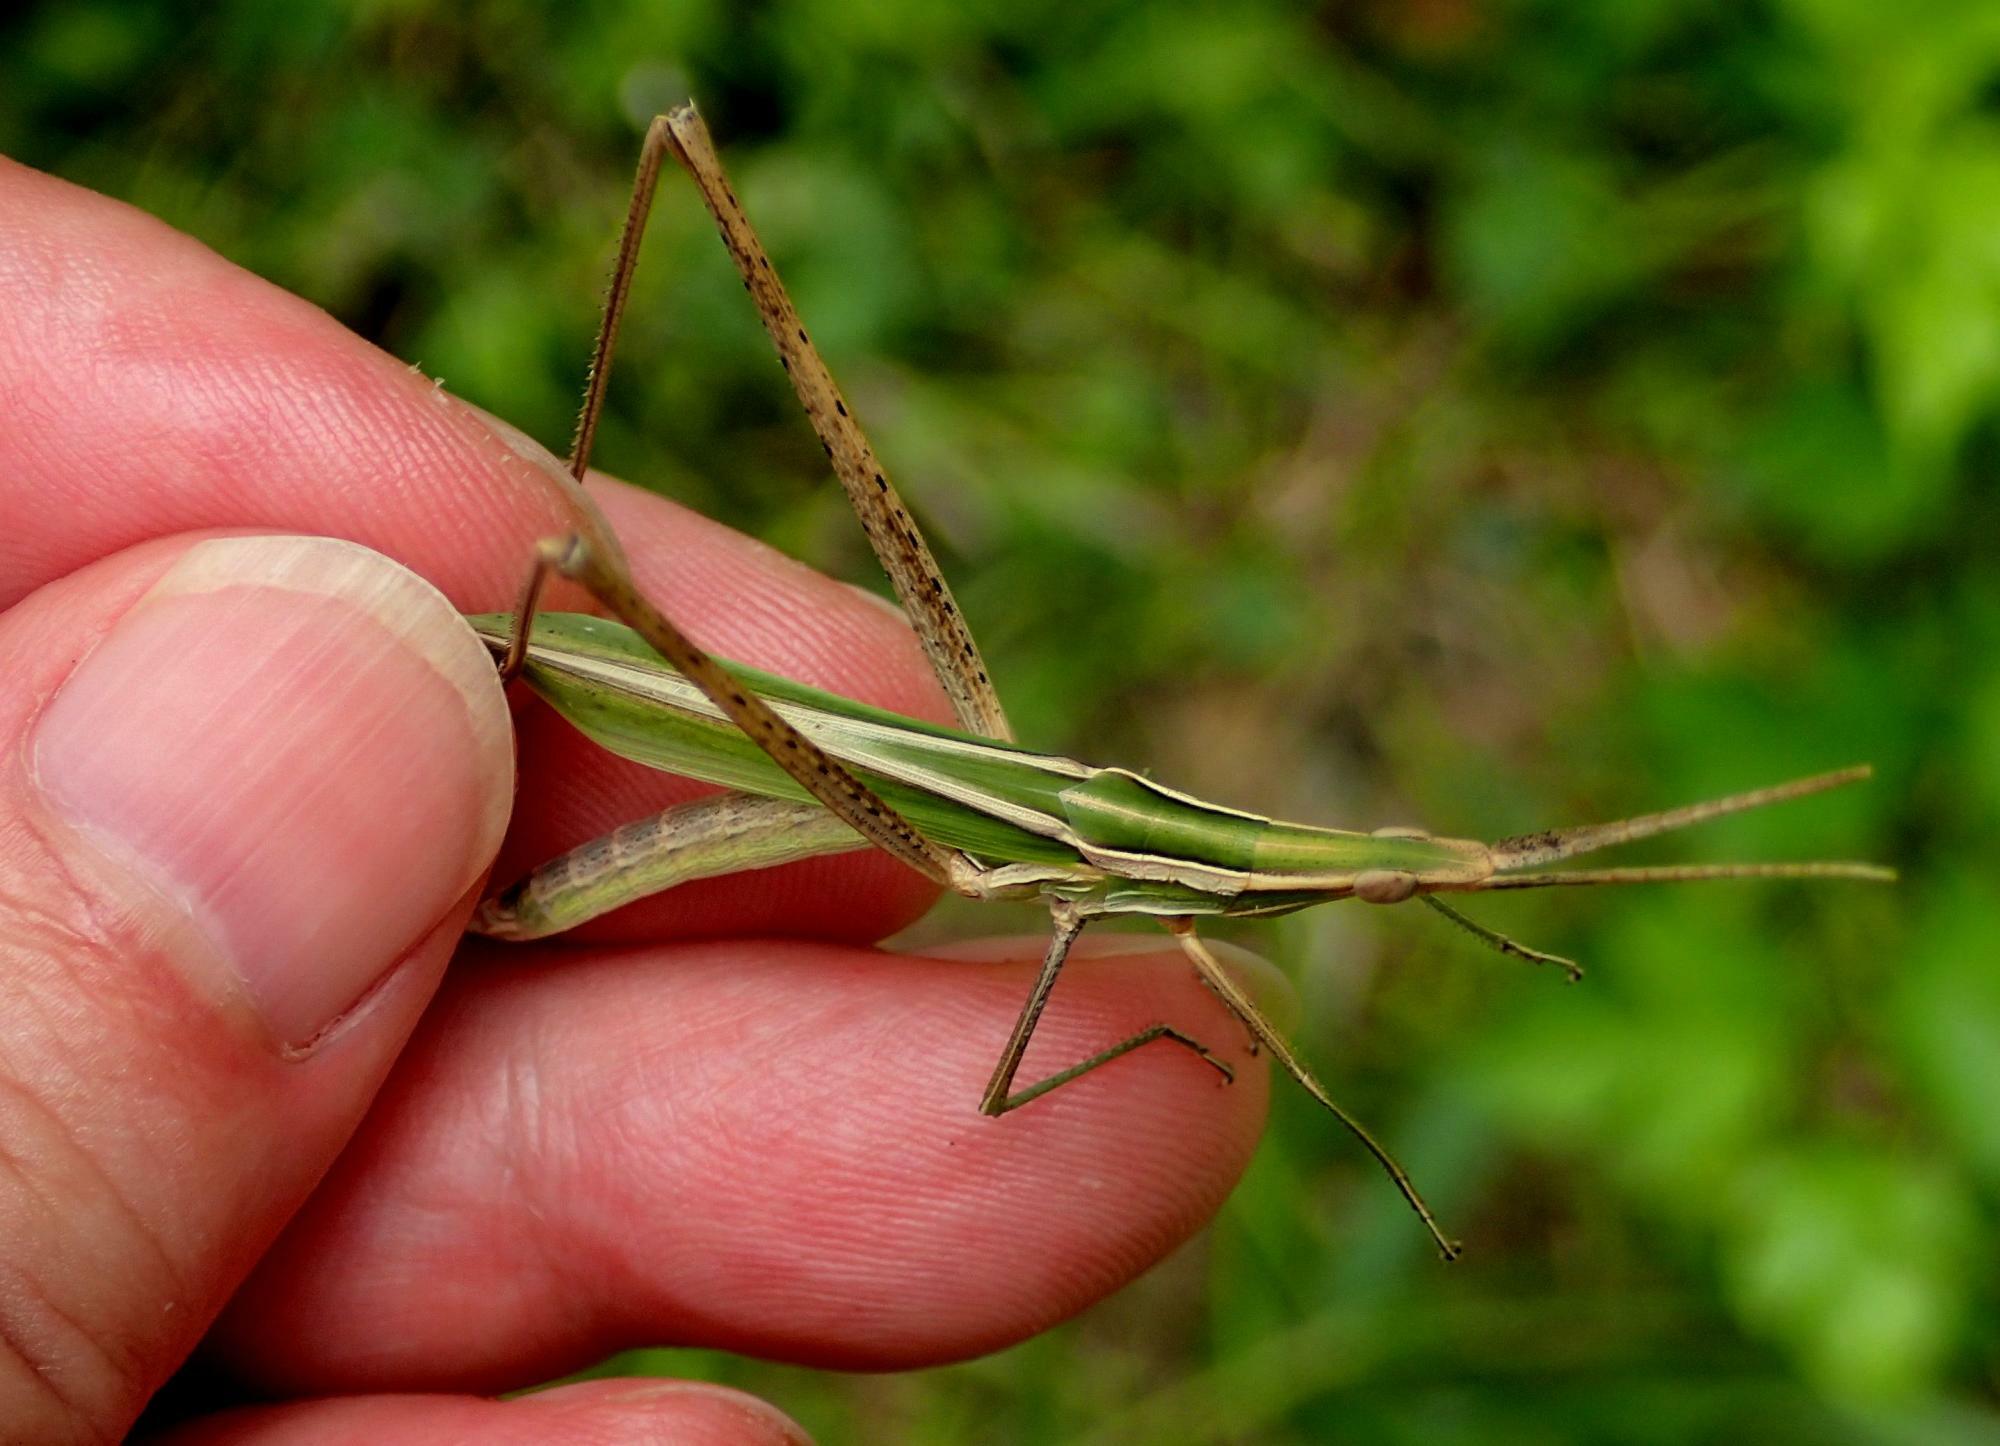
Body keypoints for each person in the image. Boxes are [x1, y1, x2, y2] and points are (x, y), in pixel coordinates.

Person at [0, 153, 1269, 1441]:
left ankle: (568, 548)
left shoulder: (1136, 891)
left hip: (900, 797)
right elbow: (1002, 1085)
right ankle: (572, 543)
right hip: (869, 792)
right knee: (601, 513)